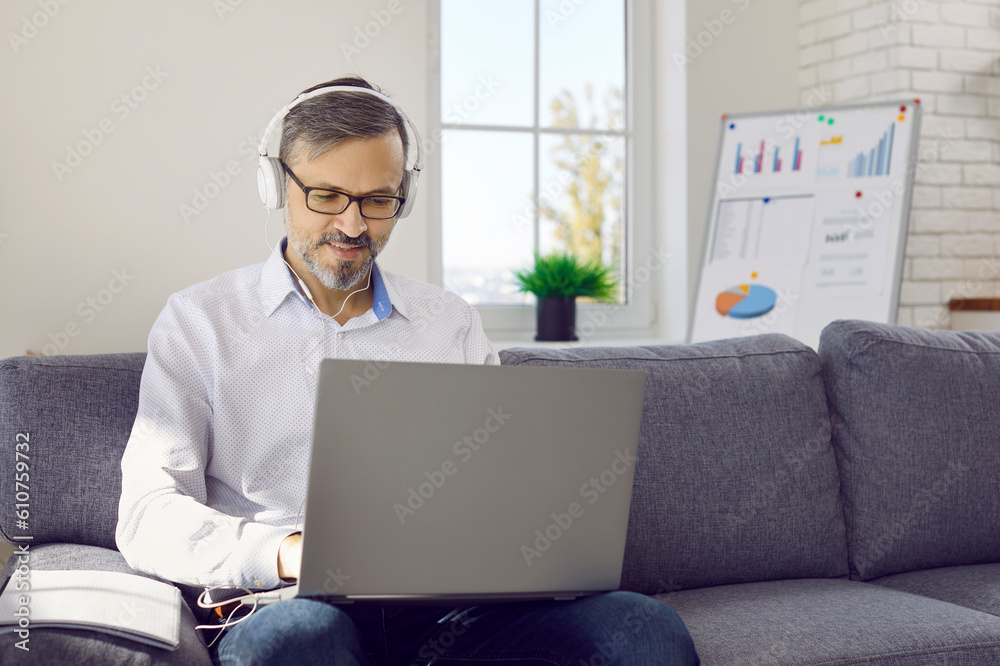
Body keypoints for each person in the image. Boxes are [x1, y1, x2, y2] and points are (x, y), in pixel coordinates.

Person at [115, 75, 699, 666]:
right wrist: (290, 551)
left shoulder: (451, 323)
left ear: (404, 197)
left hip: (451, 614)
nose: (352, 226)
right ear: (275, 185)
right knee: (300, 641)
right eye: (326, 195)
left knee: (643, 626)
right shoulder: (200, 321)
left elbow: (504, 491)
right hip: (284, 601)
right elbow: (147, 513)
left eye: (377, 201)